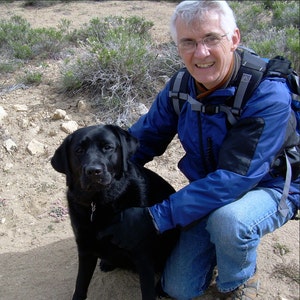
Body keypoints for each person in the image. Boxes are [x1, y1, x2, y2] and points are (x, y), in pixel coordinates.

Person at [98, 1, 300, 299]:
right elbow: (143, 140)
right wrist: (101, 172)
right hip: (211, 189)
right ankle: (225, 244)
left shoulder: (266, 92)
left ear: (234, 39)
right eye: (189, 42)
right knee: (178, 288)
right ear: (178, 47)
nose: (201, 52)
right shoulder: (181, 87)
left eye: (211, 38)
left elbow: (235, 177)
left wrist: (154, 218)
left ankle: (238, 281)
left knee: (230, 222)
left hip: (270, 186)